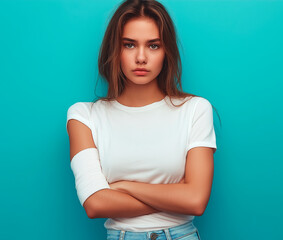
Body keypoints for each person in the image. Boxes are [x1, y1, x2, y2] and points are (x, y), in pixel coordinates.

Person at [66, 0, 219, 239]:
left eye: (153, 46)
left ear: (166, 50)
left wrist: (126, 187)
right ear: (114, 50)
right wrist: (177, 196)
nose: (141, 57)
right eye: (129, 45)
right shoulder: (84, 116)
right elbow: (95, 204)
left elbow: (196, 201)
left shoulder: (195, 109)